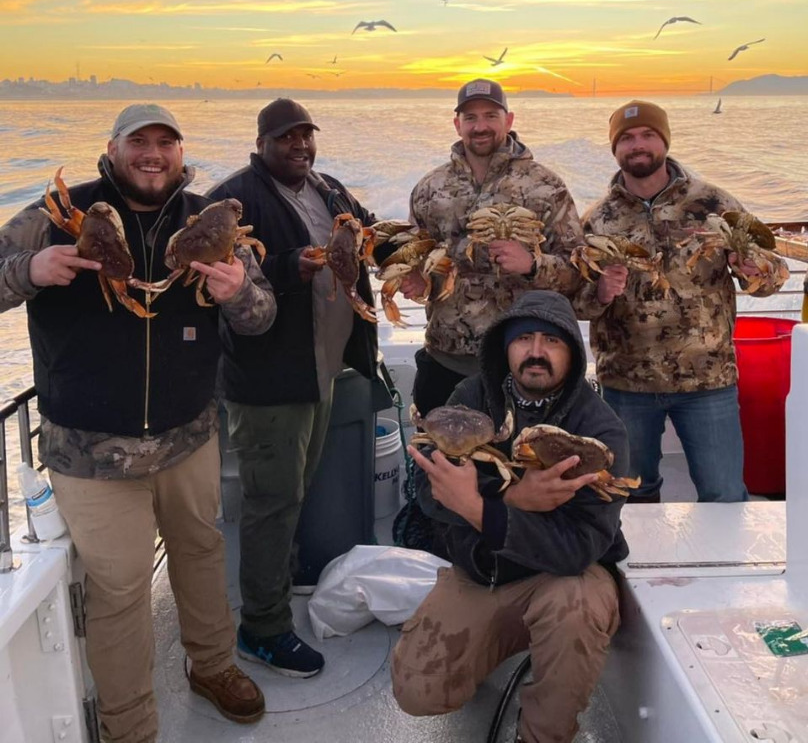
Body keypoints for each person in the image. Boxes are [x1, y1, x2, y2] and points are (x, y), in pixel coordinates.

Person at [0, 103, 277, 743]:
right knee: (120, 590)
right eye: (139, 142)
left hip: (189, 437)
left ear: (181, 152)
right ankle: (129, 727)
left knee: (202, 552)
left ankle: (212, 667)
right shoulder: (55, 214)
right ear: (114, 147)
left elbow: (261, 320)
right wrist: (31, 269)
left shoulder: (209, 218)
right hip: (91, 452)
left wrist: (240, 294)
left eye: (166, 143)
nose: (153, 154)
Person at [391, 290, 628, 743]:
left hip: (564, 578)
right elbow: (427, 492)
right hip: (484, 571)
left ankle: (541, 732)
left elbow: (579, 547)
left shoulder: (599, 427)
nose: (536, 352)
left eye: (552, 342)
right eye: (525, 339)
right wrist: (514, 498)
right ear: (506, 347)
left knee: (573, 609)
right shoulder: (472, 395)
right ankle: (501, 643)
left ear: (573, 354)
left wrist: (478, 507)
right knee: (417, 691)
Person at [209, 97, 387, 679]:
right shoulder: (237, 199)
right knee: (271, 501)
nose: (299, 147)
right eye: (287, 138)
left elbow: (368, 233)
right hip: (269, 383)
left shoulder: (328, 188)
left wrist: (409, 250)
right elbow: (231, 284)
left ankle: (281, 579)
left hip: (323, 371)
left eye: (306, 136)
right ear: (262, 142)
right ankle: (262, 627)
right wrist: (294, 265)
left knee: (296, 490)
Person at [575, 99, 787, 503]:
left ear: (665, 141)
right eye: (627, 138)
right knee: (631, 496)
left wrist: (753, 268)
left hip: (708, 381)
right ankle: (637, 568)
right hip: (626, 384)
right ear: (615, 149)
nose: (638, 145)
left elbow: (773, 277)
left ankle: (724, 564)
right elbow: (575, 302)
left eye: (648, 135)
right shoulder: (595, 221)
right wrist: (599, 292)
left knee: (724, 494)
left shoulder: (715, 204)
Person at [403, 78, 583, 415]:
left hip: (524, 362)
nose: (480, 126)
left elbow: (579, 272)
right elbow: (415, 254)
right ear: (457, 124)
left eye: (490, 115)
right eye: (470, 118)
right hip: (446, 357)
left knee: (521, 464)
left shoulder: (545, 186)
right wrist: (416, 278)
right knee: (438, 460)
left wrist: (533, 265)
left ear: (509, 120)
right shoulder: (429, 188)